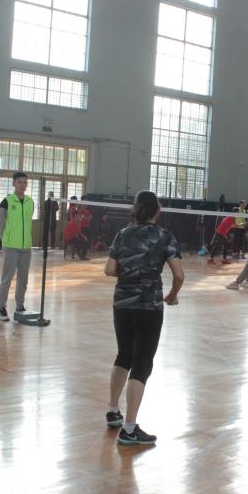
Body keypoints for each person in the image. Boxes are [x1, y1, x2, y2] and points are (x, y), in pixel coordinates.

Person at [104, 190, 184, 446]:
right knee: (142, 363)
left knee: (123, 355)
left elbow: (109, 269)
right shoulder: (165, 236)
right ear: (158, 211)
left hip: (122, 303)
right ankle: (129, 429)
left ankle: (113, 410)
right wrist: (171, 296)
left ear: (135, 209)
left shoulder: (122, 234)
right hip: (149, 306)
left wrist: (130, 271)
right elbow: (179, 275)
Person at [0, 172, 34, 321]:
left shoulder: (30, 201)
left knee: (23, 279)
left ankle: (20, 306)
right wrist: (5, 240)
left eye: (25, 182)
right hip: (11, 246)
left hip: (26, 248)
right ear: (14, 183)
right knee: (7, 278)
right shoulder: (6, 201)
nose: (22, 185)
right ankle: (2, 307)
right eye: (19, 182)